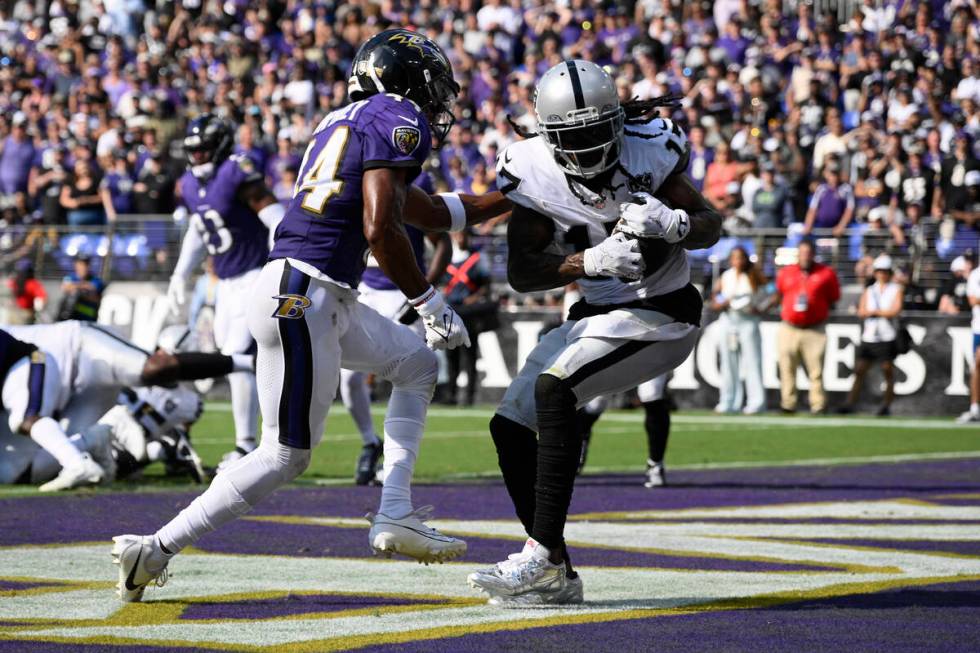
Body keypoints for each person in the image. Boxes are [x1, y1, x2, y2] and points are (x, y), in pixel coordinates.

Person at [112, 29, 513, 604]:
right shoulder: (396, 113)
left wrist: (514, 194)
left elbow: (428, 212)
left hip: (310, 292)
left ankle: (394, 510)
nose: (434, 97)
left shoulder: (342, 121)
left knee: (416, 365)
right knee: (285, 454)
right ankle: (155, 549)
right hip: (306, 292)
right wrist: (429, 300)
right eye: (427, 83)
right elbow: (381, 226)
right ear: (397, 80)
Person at [468, 60, 721, 606]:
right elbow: (522, 271)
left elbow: (711, 222)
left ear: (614, 123)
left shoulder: (649, 149)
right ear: (547, 135)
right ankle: (556, 570)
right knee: (510, 426)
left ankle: (537, 555)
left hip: (663, 311)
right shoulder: (531, 169)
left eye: (593, 132)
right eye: (569, 137)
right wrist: (587, 261)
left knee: (555, 388)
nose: (583, 148)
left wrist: (676, 225)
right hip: (595, 313)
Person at [165, 114, 284, 468]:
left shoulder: (235, 171)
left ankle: (247, 444)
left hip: (254, 274)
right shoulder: (188, 184)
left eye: (203, 150)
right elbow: (199, 230)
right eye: (193, 150)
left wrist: (282, 257)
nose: (197, 156)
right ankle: (257, 438)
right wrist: (180, 273)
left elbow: (274, 214)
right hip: (226, 283)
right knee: (235, 358)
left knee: (236, 358)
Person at [341, 171, 452, 486]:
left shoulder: (417, 181)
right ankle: (369, 441)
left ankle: (394, 463)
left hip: (403, 290)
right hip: (364, 289)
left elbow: (441, 243)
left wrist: (423, 292)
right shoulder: (356, 173)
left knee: (404, 378)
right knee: (348, 379)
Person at [0, 327, 106, 491]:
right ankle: (91, 440)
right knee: (10, 472)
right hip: (9, 385)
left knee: (24, 419)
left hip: (33, 360)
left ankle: (78, 465)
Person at [771, 239, 840, 414]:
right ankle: (788, 404)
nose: (805, 257)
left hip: (814, 328)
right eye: (802, 253)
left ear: (814, 254)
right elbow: (779, 294)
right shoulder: (786, 272)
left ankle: (818, 404)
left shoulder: (826, 273)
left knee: (815, 370)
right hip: (789, 327)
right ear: (797, 255)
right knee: (787, 367)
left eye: (808, 253)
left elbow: (834, 297)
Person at [575, 373, 673, 488]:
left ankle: (656, 464)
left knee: (651, 394)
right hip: (617, 356)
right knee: (596, 403)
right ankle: (581, 436)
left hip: (649, 356)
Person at [839, 255, 904, 416]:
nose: (881, 274)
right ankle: (850, 402)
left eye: (884, 271)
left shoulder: (895, 290)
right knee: (860, 370)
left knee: (887, 370)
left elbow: (895, 310)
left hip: (886, 336)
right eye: (879, 271)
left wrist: (875, 312)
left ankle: (887, 404)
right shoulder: (870, 290)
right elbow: (861, 311)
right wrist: (875, 312)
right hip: (870, 336)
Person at [711, 246, 767, 415]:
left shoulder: (754, 275)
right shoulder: (726, 276)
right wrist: (720, 303)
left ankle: (756, 402)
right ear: (731, 260)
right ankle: (728, 401)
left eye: (741, 257)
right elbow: (715, 296)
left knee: (752, 363)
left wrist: (762, 308)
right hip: (729, 320)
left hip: (748, 321)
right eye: (735, 258)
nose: (738, 261)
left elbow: (772, 292)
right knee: (728, 363)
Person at [440, 229, 493, 407]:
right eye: (457, 235)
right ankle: (451, 395)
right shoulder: (446, 258)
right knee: (451, 356)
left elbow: (486, 285)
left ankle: (469, 396)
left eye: (463, 235)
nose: (460, 238)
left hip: (470, 313)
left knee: (469, 356)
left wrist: (475, 297)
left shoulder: (477, 258)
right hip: (450, 311)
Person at [957, 261, 980, 424]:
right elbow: (972, 300)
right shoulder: (975, 275)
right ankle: (975, 408)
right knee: (977, 365)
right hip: (978, 328)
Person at [59, 159, 108, 227]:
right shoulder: (70, 181)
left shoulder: (96, 179)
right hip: (76, 215)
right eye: (80, 168)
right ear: (75, 170)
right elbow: (63, 200)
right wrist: (77, 202)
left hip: (95, 214)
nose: (83, 171)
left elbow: (103, 197)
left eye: (85, 168)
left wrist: (88, 200)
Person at [58, 255, 104, 322]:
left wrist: (77, 287)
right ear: (75, 265)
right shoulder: (70, 277)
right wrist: (81, 287)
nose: (83, 267)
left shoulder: (95, 280)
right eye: (80, 264)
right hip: (70, 319)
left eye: (85, 265)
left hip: (88, 319)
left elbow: (93, 288)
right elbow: (64, 287)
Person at [5, 259, 46, 325]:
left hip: (15, 313)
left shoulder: (14, 282)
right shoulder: (32, 283)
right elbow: (41, 298)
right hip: (24, 314)